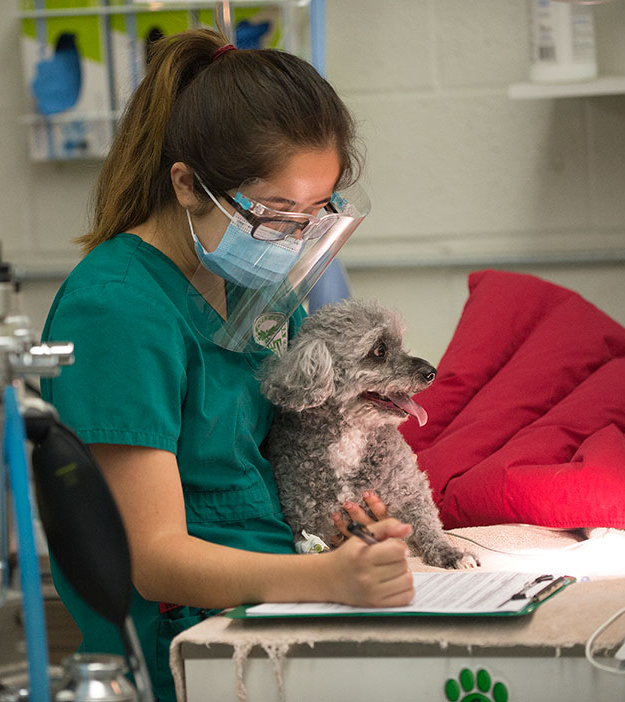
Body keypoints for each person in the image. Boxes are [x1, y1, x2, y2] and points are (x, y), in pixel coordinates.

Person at [40, 28, 414, 701]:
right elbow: (152, 560)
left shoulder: (255, 289)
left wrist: (344, 532)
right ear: (188, 185)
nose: (296, 241)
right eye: (276, 214)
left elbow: (273, 464)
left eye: (315, 214)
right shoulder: (116, 310)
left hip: (272, 611)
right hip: (183, 649)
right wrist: (330, 581)